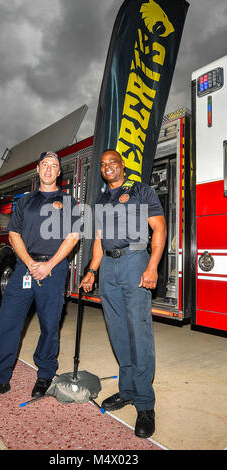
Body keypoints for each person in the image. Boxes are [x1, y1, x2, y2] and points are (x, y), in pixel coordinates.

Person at [0, 151, 80, 405]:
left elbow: (73, 237)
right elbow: (14, 236)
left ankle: (45, 374)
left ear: (59, 172)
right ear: (38, 168)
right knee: (8, 321)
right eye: (45, 164)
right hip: (25, 267)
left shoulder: (69, 202)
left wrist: (50, 264)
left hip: (54, 269)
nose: (49, 169)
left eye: (54, 165)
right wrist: (31, 263)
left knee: (50, 324)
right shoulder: (25, 201)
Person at [80, 149, 166, 438]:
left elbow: (160, 228)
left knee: (138, 332)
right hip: (108, 267)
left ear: (122, 165)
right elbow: (99, 239)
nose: (107, 168)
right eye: (103, 165)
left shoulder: (142, 191)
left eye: (112, 163)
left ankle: (145, 404)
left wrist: (152, 266)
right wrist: (92, 271)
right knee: (118, 332)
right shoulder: (103, 200)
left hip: (134, 262)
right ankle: (127, 390)